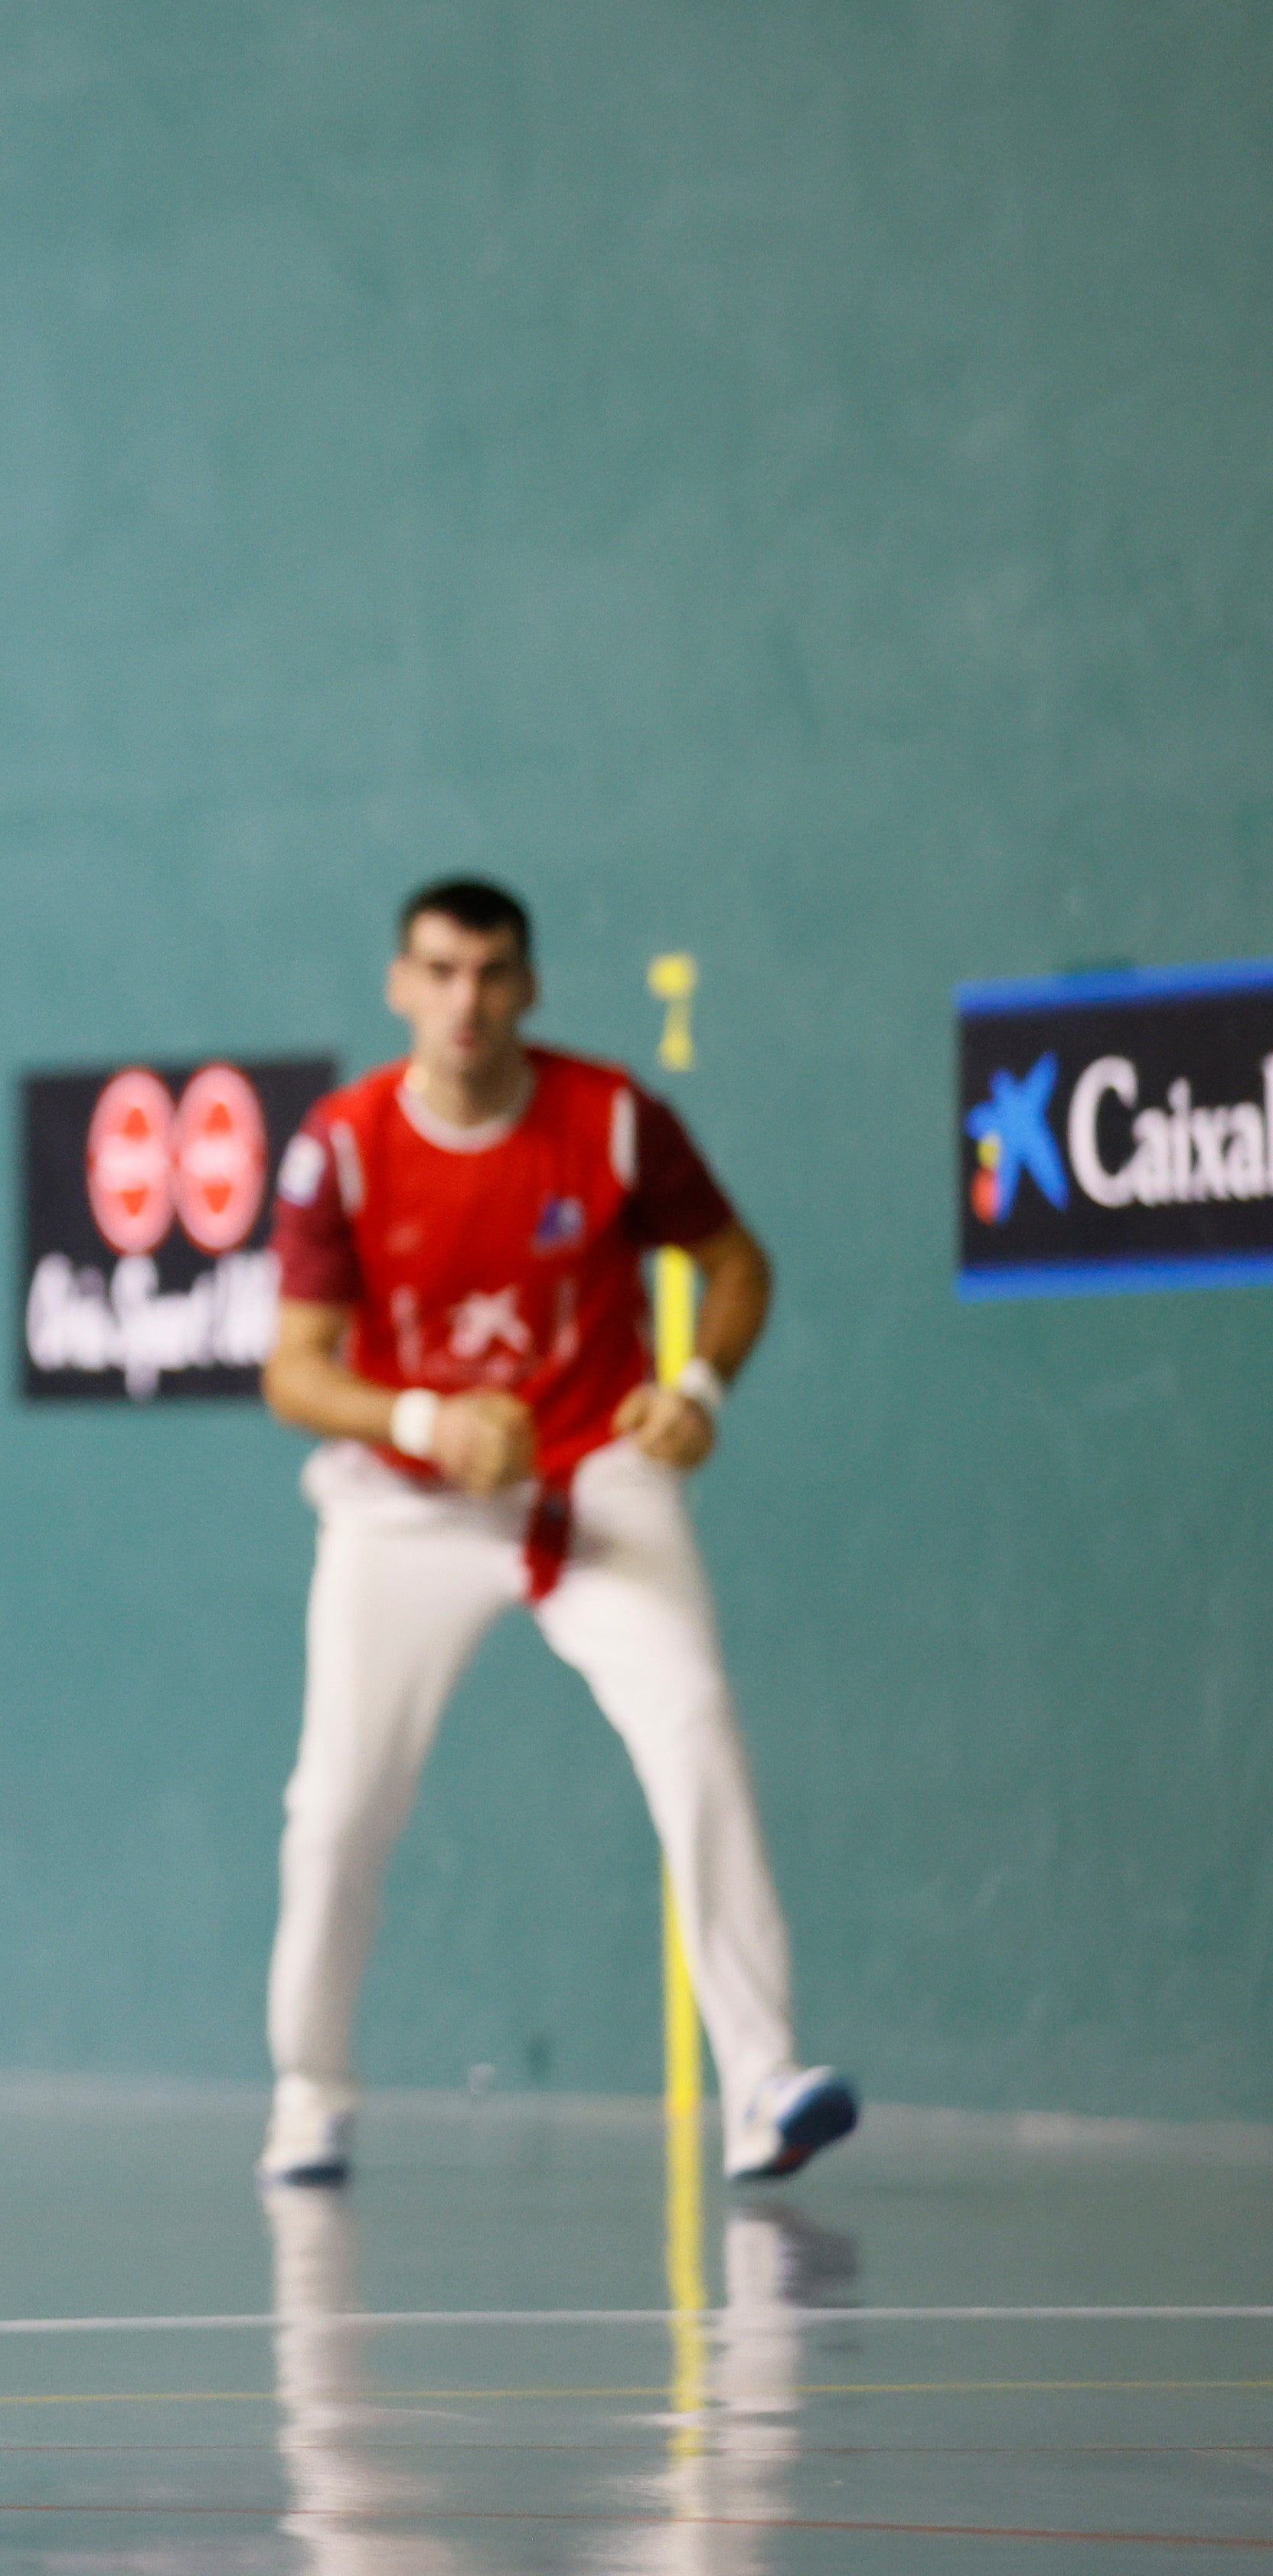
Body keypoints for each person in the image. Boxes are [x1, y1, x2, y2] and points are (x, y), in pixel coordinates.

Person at [255, 877, 856, 2189]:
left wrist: (696, 1389)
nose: (464, 998)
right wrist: (422, 1417)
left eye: (490, 973)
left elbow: (737, 1263)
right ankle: (308, 2092)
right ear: (398, 985)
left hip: (595, 1475)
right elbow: (292, 1371)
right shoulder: (343, 1147)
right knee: (335, 1806)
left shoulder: (614, 1120)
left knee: (695, 1722)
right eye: (438, 970)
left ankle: (761, 2081)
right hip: (404, 1507)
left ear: (525, 987)